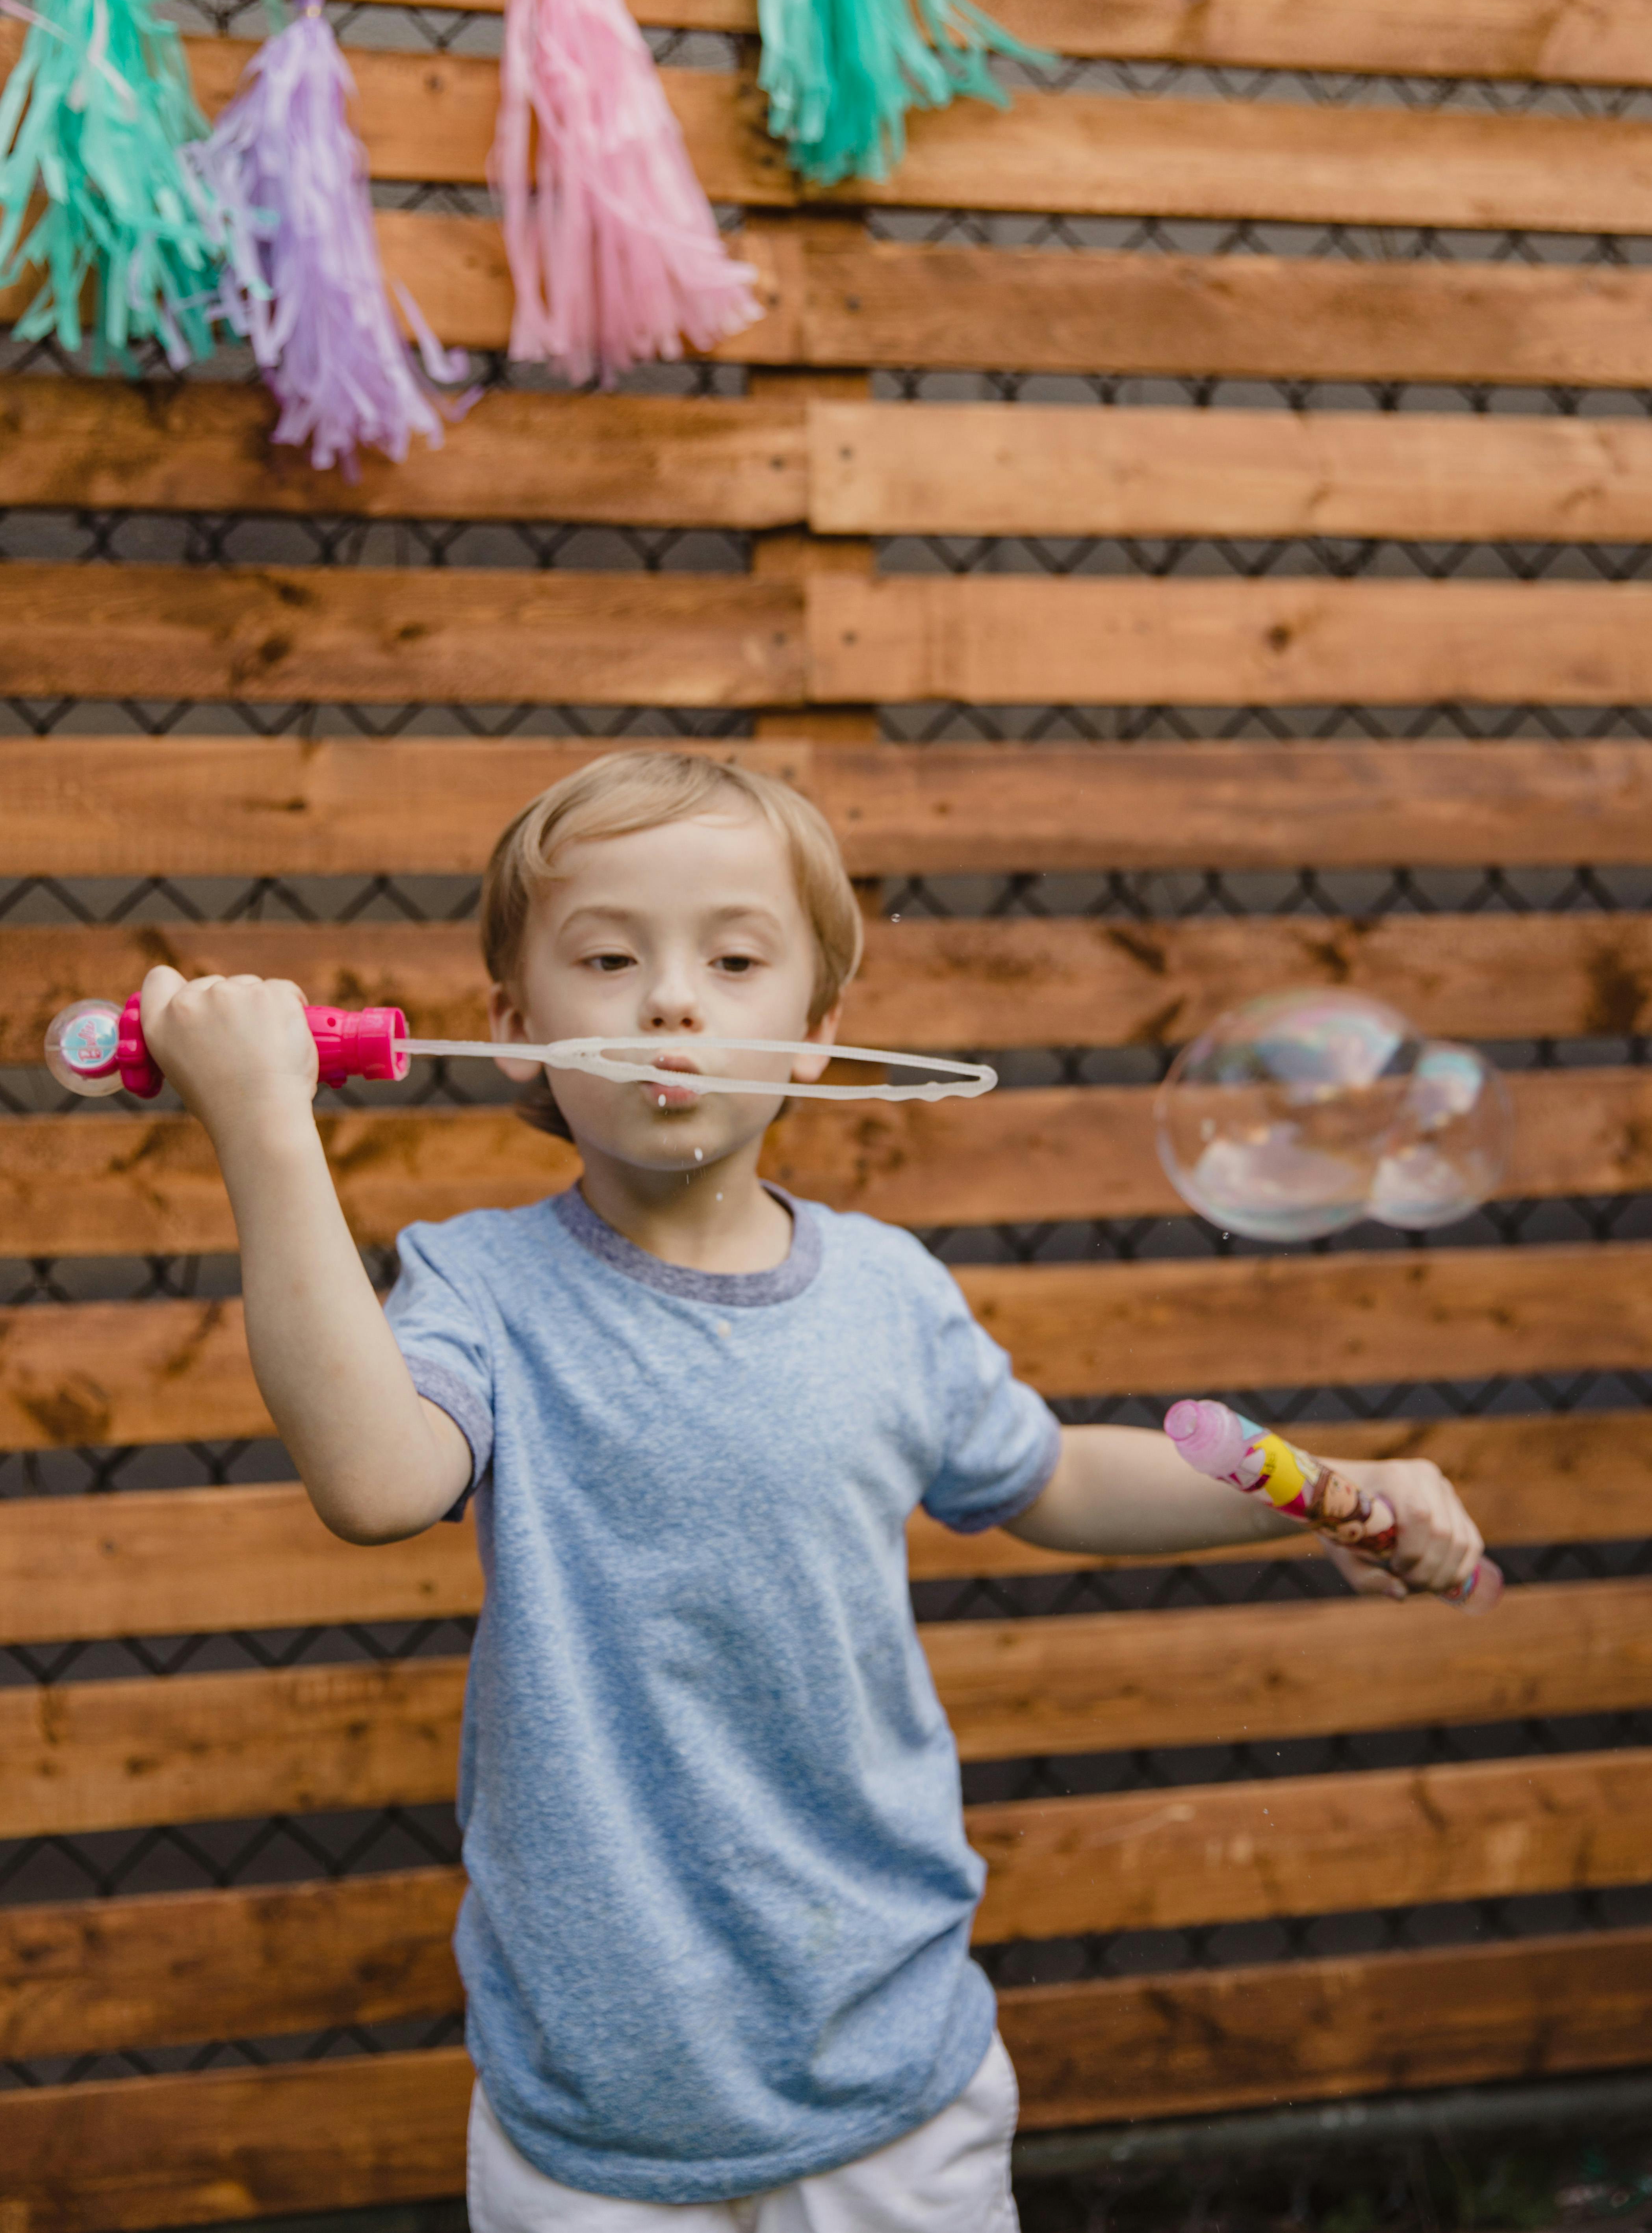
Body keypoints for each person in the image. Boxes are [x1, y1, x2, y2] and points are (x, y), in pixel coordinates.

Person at [139, 750, 1484, 2233]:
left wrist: (1312, 1494)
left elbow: (1050, 1473)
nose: (670, 1001)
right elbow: (377, 1479)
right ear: (515, 1033)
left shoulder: (891, 1294)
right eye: (607, 956)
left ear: (817, 1032)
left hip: (892, 2066)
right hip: (600, 2109)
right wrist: (266, 1125)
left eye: (732, 957)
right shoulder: (484, 1288)